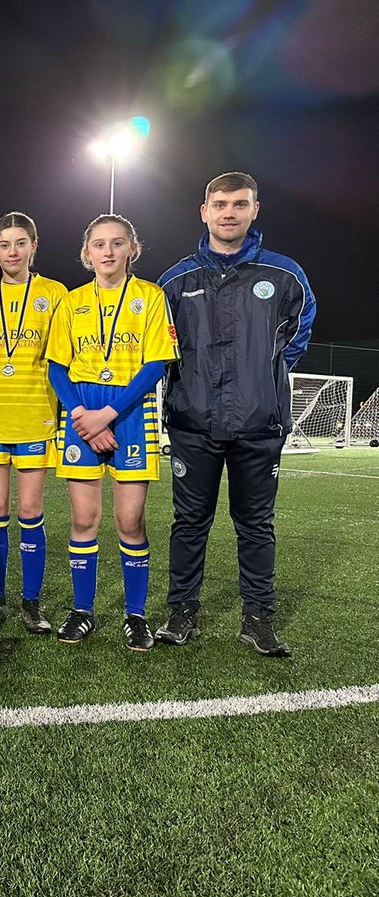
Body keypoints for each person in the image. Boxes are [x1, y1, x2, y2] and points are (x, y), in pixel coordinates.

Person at [156, 172, 317, 656]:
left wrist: (259, 380)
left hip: (258, 424)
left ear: (254, 210)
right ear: (203, 212)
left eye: (239, 204)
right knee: (189, 522)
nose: (229, 212)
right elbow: (162, 347)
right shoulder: (175, 279)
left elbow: (297, 334)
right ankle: (181, 611)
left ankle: (258, 617)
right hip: (193, 422)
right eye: (220, 204)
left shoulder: (284, 275)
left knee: (256, 524)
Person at [45, 214, 179, 651]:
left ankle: (135, 615)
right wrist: (84, 413)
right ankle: (83, 610)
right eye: (99, 244)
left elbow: (156, 364)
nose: (107, 251)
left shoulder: (151, 297)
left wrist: (108, 414)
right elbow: (57, 368)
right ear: (86, 254)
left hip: (130, 413)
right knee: (84, 519)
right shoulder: (71, 302)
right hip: (82, 413)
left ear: (131, 250)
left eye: (117, 243)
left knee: (130, 520)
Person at [0, 212, 68, 634]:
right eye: (4, 244)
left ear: (34, 246)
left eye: (20, 243)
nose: (13, 251)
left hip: (35, 417)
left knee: (30, 510)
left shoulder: (55, 293)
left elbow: (62, 358)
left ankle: (31, 604)